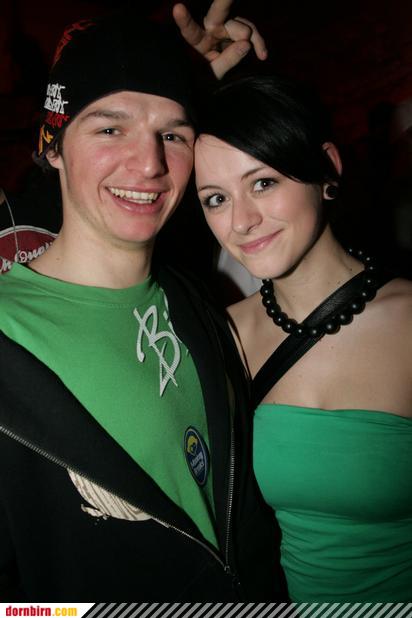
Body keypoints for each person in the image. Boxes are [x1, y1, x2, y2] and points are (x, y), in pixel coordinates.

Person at [0, 7, 286, 602]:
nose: (151, 164)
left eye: (173, 136)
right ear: (53, 146)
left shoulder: (194, 299)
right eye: (110, 129)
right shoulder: (9, 337)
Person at [194, 74, 412, 601]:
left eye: (263, 183)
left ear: (327, 170)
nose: (241, 221)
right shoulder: (223, 336)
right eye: (216, 198)